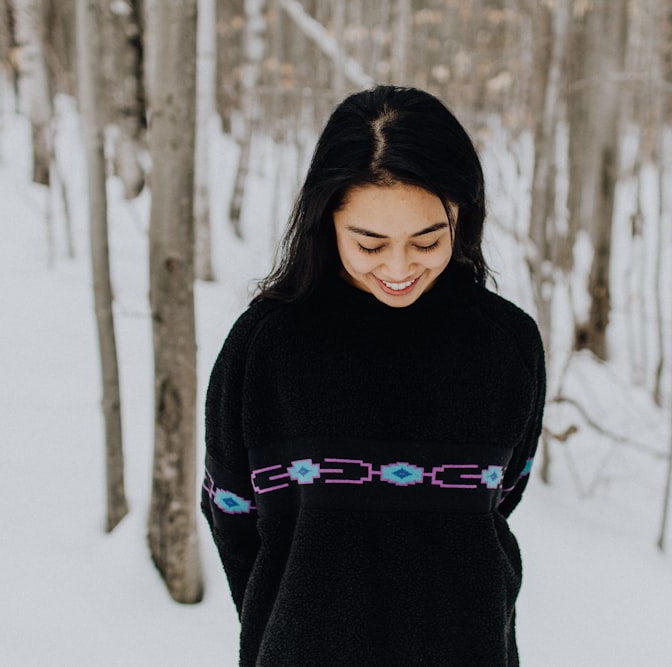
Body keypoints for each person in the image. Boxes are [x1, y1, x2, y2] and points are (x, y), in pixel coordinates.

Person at [201, 85, 546, 666]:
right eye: (369, 243)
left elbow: (502, 495)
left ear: (462, 214)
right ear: (326, 221)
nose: (398, 267)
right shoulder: (265, 347)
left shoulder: (506, 344)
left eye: (427, 240)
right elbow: (232, 513)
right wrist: (296, 618)